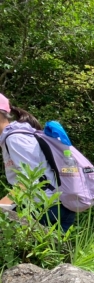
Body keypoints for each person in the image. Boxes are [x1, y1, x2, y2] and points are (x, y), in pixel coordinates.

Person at [0, 93, 76, 231]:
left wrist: (2, 205)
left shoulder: (15, 138)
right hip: (54, 206)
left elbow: (28, 181)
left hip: (46, 208)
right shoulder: (17, 135)